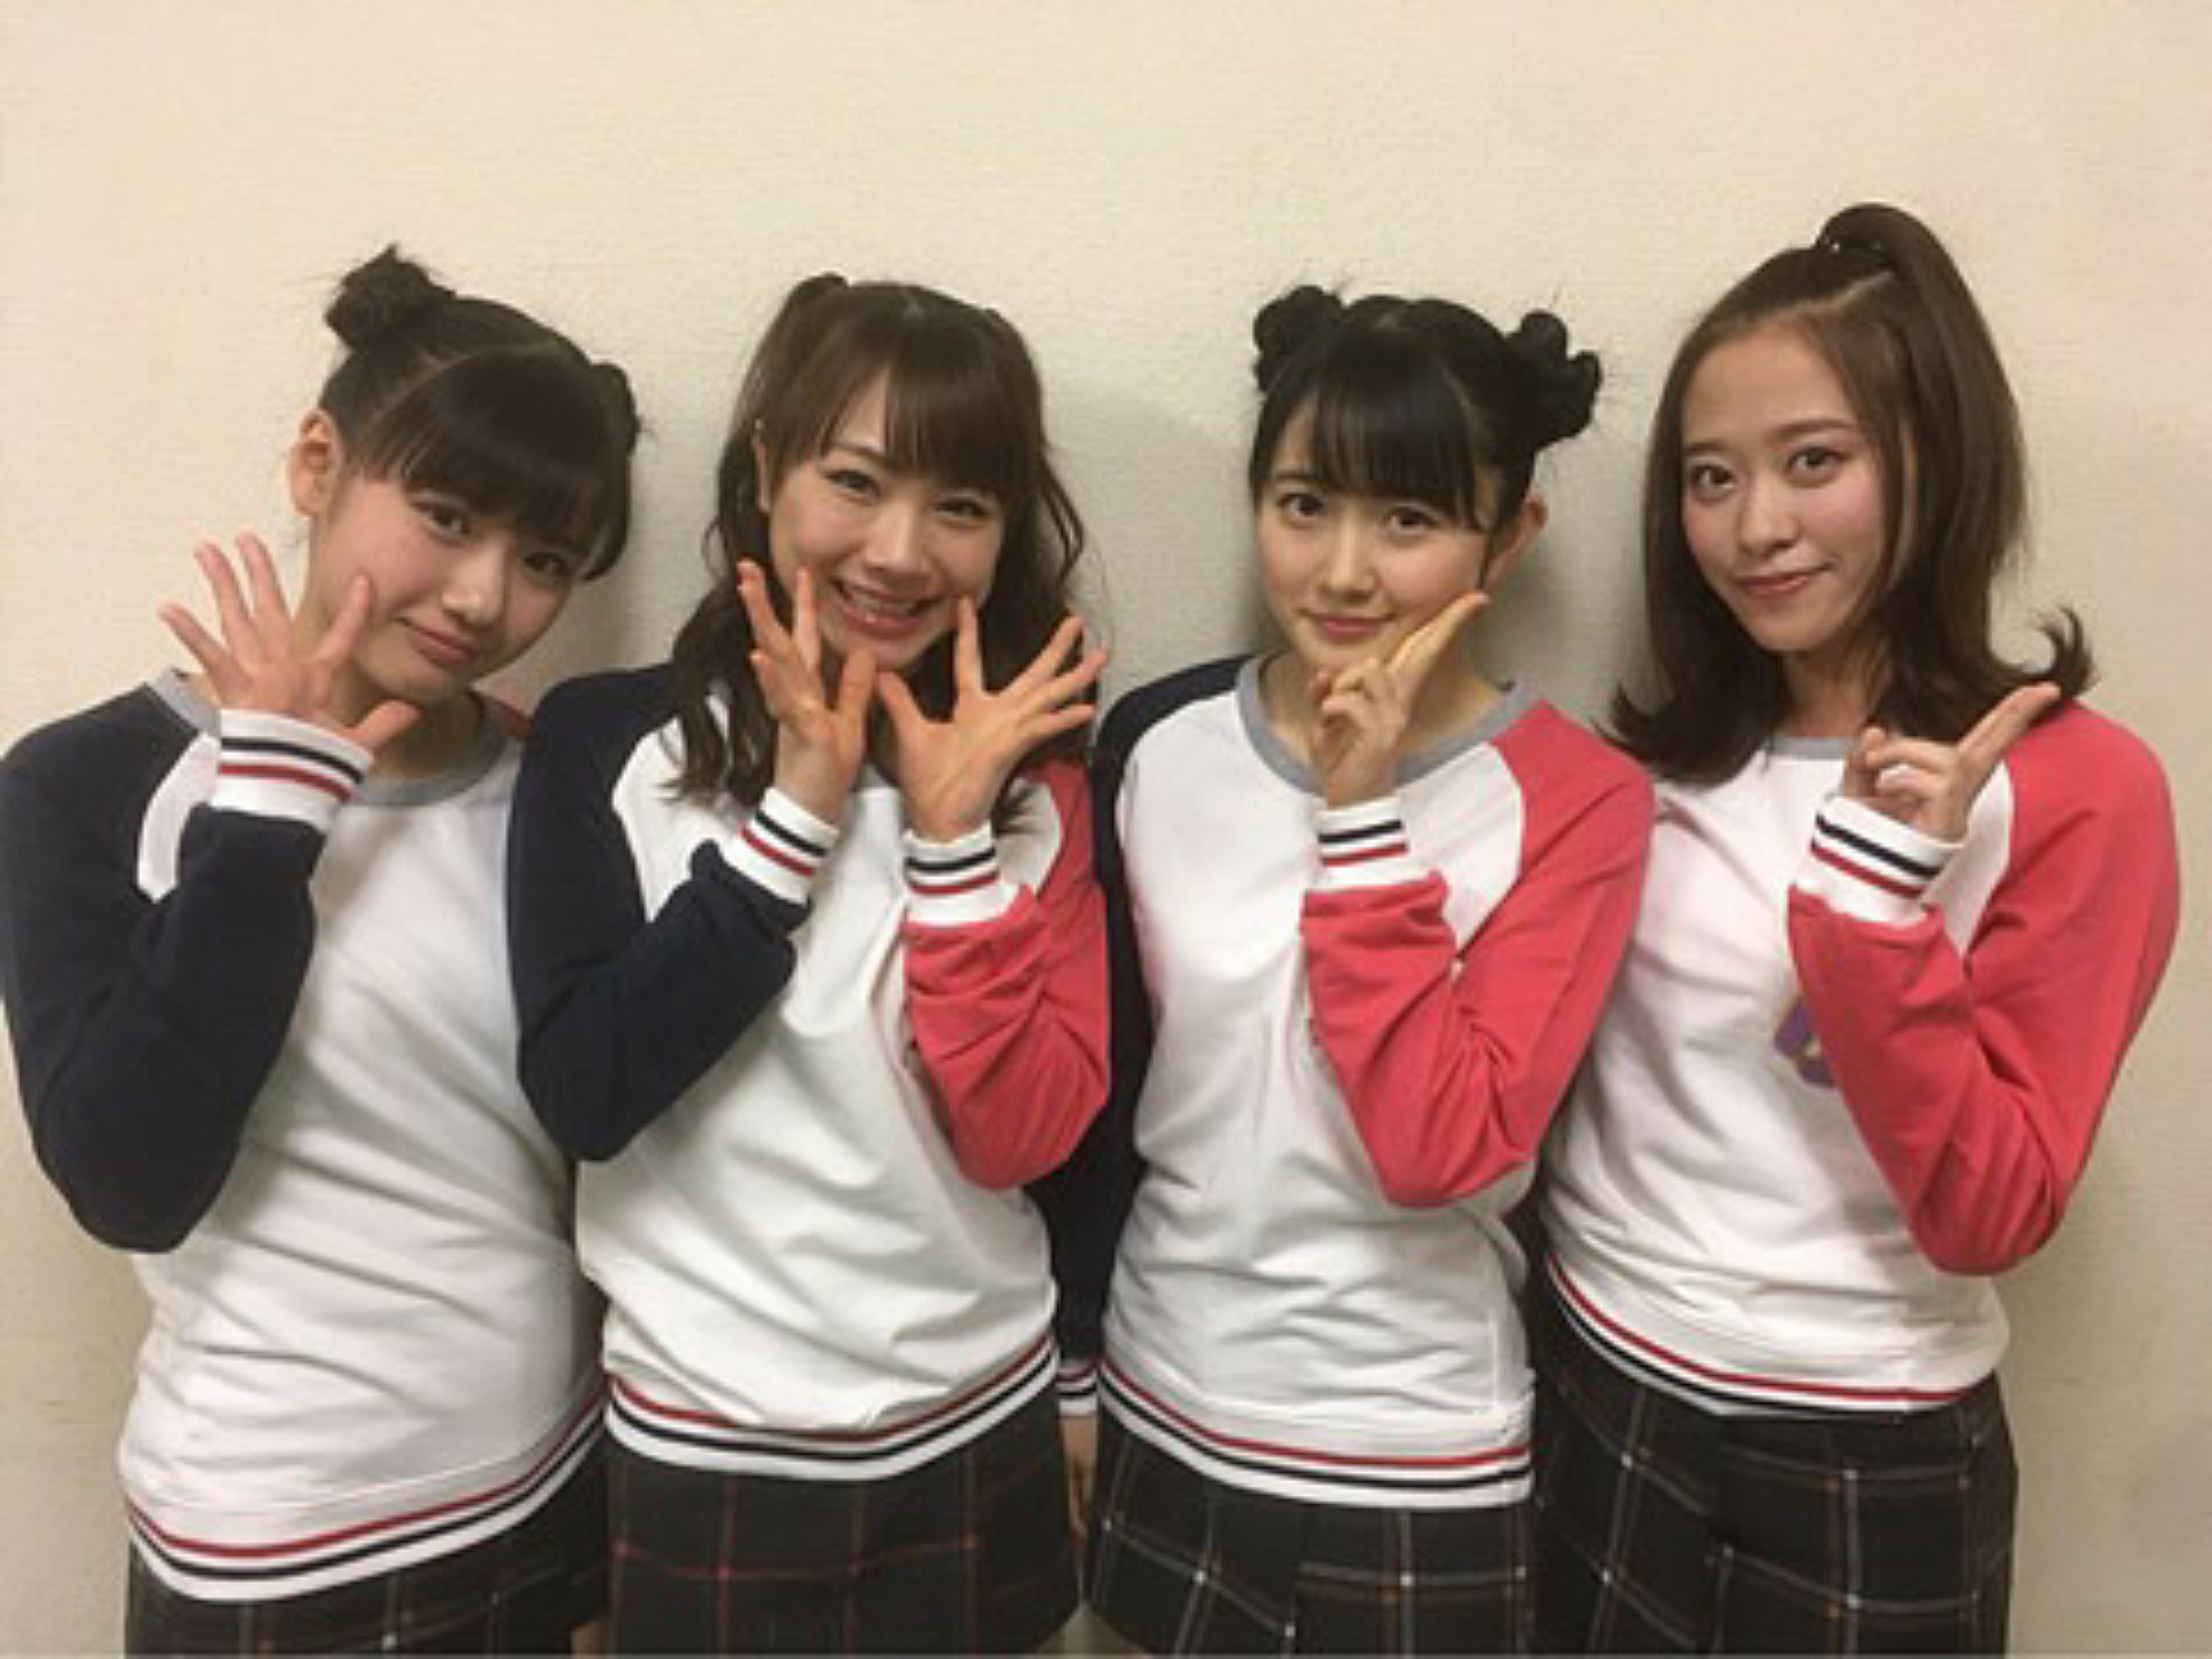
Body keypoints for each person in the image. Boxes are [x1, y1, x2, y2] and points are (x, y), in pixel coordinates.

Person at [1532, 203, 2182, 1653]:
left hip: (1868, 1443)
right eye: (1711, 477)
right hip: (1599, 1380)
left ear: (1934, 457)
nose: (1755, 526)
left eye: (1814, 462)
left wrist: (1878, 904)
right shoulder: (1654, 769)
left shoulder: (2078, 788)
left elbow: (1990, 1211)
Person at [0, 248, 639, 1652]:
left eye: (544, 561)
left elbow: (597, 1152)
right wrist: (269, 813)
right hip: (272, 1530)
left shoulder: (557, 790)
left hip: (544, 1479)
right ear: (316, 464)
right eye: (446, 517)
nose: (483, 597)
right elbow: (127, 1179)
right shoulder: (84, 782)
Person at [1038, 287, 1651, 1654]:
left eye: (1410, 520)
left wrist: (1361, 817)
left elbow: (1443, 1147)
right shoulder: (1158, 742)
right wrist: (1076, 1364)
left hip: (1410, 1449)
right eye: (1305, 504)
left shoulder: (1580, 800)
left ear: (1511, 537)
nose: (1345, 571)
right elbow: (1108, 1093)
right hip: (1163, 1396)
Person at [506, 273, 1108, 1653]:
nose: (898, 552)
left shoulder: (1041, 783)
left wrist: (951, 843)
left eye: (961, 506)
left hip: (980, 1417)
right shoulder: (608, 743)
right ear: (768, 468)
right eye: (855, 481)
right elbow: (587, 1094)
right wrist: (793, 825)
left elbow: (1029, 1140)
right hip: (709, 1437)